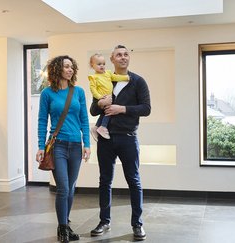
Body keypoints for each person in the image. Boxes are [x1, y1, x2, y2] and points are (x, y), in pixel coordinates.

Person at [89, 45, 151, 241]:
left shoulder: (138, 81)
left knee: (134, 181)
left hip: (128, 138)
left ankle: (137, 224)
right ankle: (104, 221)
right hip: (105, 139)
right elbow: (93, 109)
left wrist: (121, 109)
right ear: (112, 59)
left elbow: (146, 108)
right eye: (119, 55)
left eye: (126, 54)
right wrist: (100, 104)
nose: (123, 57)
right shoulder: (103, 78)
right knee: (105, 181)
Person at [36, 55, 91, 242]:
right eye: (66, 66)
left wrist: (88, 145)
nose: (70, 70)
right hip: (57, 145)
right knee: (63, 188)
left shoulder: (79, 92)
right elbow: (42, 121)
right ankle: (62, 229)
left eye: (71, 67)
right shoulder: (47, 94)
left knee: (71, 188)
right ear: (57, 69)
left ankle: (65, 224)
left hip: (76, 145)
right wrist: (40, 146)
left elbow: (84, 118)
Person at [87, 53, 129, 140]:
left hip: (109, 97)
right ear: (92, 65)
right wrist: (100, 97)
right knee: (109, 111)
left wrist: (126, 78)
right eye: (99, 64)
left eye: (103, 64)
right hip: (104, 97)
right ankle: (103, 127)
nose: (102, 66)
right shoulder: (93, 77)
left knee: (104, 113)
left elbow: (116, 77)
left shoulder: (108, 73)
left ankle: (96, 127)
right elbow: (93, 90)